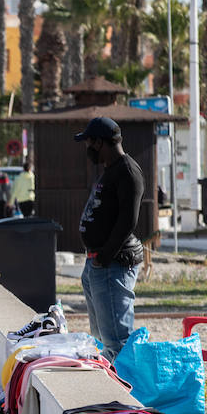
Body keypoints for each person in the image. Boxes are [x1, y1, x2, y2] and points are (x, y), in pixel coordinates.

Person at [76, 116, 144, 361]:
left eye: (87, 142)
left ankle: (124, 394)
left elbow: (128, 220)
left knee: (117, 341)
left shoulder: (127, 171)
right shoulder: (111, 170)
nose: (86, 149)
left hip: (112, 263)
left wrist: (104, 256)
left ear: (99, 142)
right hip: (98, 264)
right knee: (103, 339)